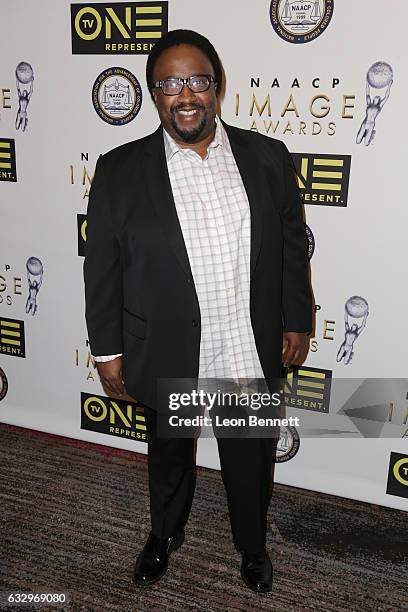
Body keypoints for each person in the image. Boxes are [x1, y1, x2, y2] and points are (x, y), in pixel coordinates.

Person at [83, 29, 313, 594]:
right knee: (168, 456)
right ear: (154, 92)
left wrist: (297, 318)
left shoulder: (266, 157)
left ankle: (252, 545)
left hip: (244, 341)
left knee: (250, 457)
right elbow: (103, 267)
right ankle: (164, 534)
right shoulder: (119, 170)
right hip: (166, 344)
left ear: (217, 87)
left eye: (197, 81)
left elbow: (289, 246)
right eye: (169, 83)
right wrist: (107, 349)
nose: (186, 95)